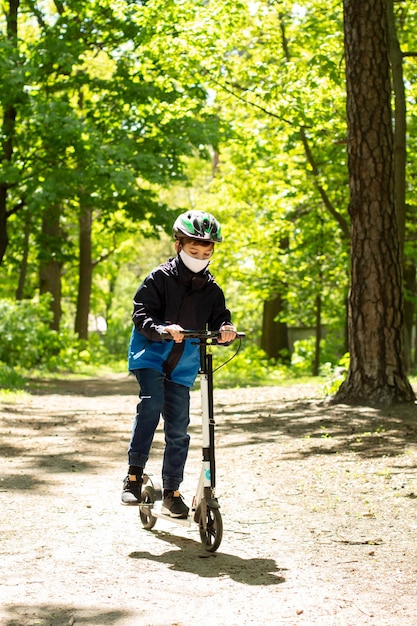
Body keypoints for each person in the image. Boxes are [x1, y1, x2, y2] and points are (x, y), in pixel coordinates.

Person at [122, 210, 236, 518]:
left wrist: (226, 329)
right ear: (179, 246)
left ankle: (171, 491)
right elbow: (141, 314)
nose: (200, 255)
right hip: (151, 355)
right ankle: (133, 476)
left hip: (183, 363)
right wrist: (161, 329)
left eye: (206, 251)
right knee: (151, 405)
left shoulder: (211, 288)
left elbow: (220, 317)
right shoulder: (159, 278)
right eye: (193, 249)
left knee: (179, 427)